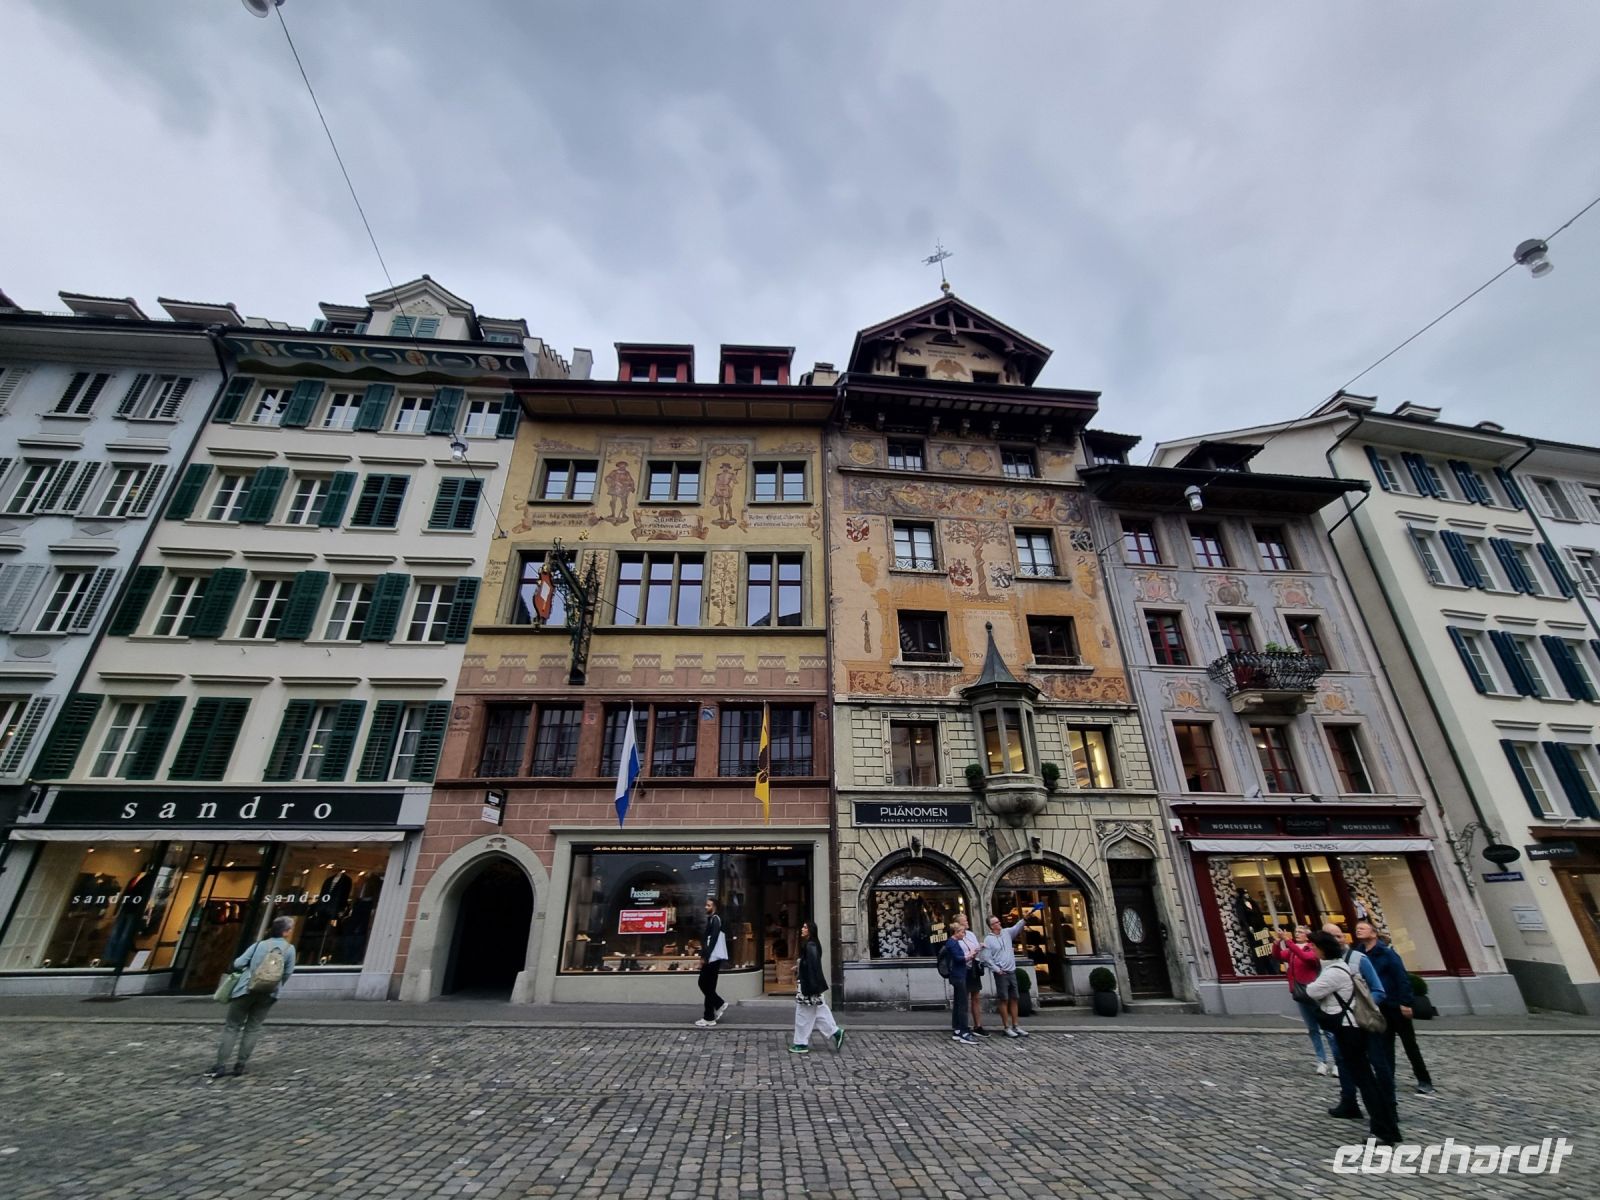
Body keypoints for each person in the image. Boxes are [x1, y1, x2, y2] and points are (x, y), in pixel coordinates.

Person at [1306, 930, 1400, 1145]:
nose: (1311, 950)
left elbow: (1311, 991)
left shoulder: (1335, 971)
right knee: (1364, 1077)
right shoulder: (1336, 968)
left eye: (1314, 947)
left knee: (1366, 1079)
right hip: (1350, 1028)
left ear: (1323, 949)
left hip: (1350, 1029)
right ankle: (1384, 1126)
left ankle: (1385, 1129)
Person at [205, 916, 297, 1080]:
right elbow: (288, 973)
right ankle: (240, 1064)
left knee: (232, 1026)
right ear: (285, 932)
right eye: (290, 929)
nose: (290, 932)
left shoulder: (259, 945)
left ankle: (220, 1065)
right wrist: (274, 984)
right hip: (269, 993)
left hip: (245, 989)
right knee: (253, 1027)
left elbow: (239, 963)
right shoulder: (289, 949)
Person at [1355, 919, 1435, 1096]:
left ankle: (1424, 1079)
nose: (1358, 930)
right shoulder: (1359, 953)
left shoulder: (1387, 954)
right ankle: (1387, 1079)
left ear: (1374, 933)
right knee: (1384, 1045)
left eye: (1362, 928)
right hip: (1378, 1006)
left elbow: (1402, 978)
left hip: (1395, 1005)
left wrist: (1405, 1003)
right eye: (1357, 928)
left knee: (1409, 1045)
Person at [1320, 921, 1389, 1113]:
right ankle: (1349, 1101)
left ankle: (1388, 1106)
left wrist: (1360, 1007)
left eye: (1339, 936)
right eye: (1331, 937)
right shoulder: (1326, 963)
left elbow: (1378, 990)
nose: (1337, 940)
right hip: (1341, 1022)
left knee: (1376, 1062)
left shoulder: (1358, 959)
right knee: (1342, 1060)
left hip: (1363, 1020)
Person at [1270, 925, 1333, 1075]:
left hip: (1314, 993)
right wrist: (1278, 942)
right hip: (1300, 994)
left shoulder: (1312, 949)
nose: (1297, 934)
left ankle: (1338, 1060)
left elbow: (1307, 959)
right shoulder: (1293, 951)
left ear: (1308, 935)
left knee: (1328, 1029)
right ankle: (1321, 1061)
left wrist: (1289, 942)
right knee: (1312, 1029)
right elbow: (1278, 956)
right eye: (1296, 931)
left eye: (1300, 932)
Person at [980, 907, 1038, 1038]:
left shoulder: (1006, 933)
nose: (999, 923)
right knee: (1004, 999)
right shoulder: (989, 940)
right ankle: (1006, 1026)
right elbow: (986, 958)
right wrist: (996, 969)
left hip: (1011, 971)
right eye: (996, 923)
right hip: (1001, 973)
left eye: (998, 921)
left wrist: (1025, 918)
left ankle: (1016, 1025)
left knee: (1014, 998)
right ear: (991, 926)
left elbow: (1017, 927)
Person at [789, 919, 844, 1054]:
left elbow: (813, 967)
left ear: (810, 930)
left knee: (803, 1015)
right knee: (819, 1011)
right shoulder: (812, 945)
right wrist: (799, 966)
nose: (802, 929)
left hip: (808, 986)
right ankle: (836, 1032)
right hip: (813, 985)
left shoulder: (810, 945)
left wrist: (811, 987)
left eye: (805, 927)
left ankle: (801, 1043)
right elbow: (811, 964)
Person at [941, 914, 978, 1045]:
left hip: (958, 974)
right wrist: (971, 955)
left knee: (958, 1002)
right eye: (962, 932)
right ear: (956, 932)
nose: (964, 934)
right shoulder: (952, 943)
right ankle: (964, 1031)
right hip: (958, 975)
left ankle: (957, 1029)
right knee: (962, 1004)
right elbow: (958, 958)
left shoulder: (953, 942)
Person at [694, 896, 728, 1028]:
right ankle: (718, 1005)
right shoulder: (714, 919)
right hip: (712, 957)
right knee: (706, 985)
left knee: (705, 984)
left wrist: (705, 957)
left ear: (714, 906)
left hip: (712, 958)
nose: (705, 907)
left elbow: (712, 939)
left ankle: (709, 1017)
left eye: (708, 905)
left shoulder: (715, 919)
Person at [959, 914, 989, 1036]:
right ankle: (963, 1025)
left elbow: (975, 948)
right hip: (964, 969)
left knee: (976, 997)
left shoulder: (970, 934)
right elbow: (961, 954)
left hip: (974, 968)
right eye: (964, 920)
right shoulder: (957, 938)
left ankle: (978, 1025)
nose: (967, 921)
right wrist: (973, 952)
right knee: (964, 999)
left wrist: (979, 948)